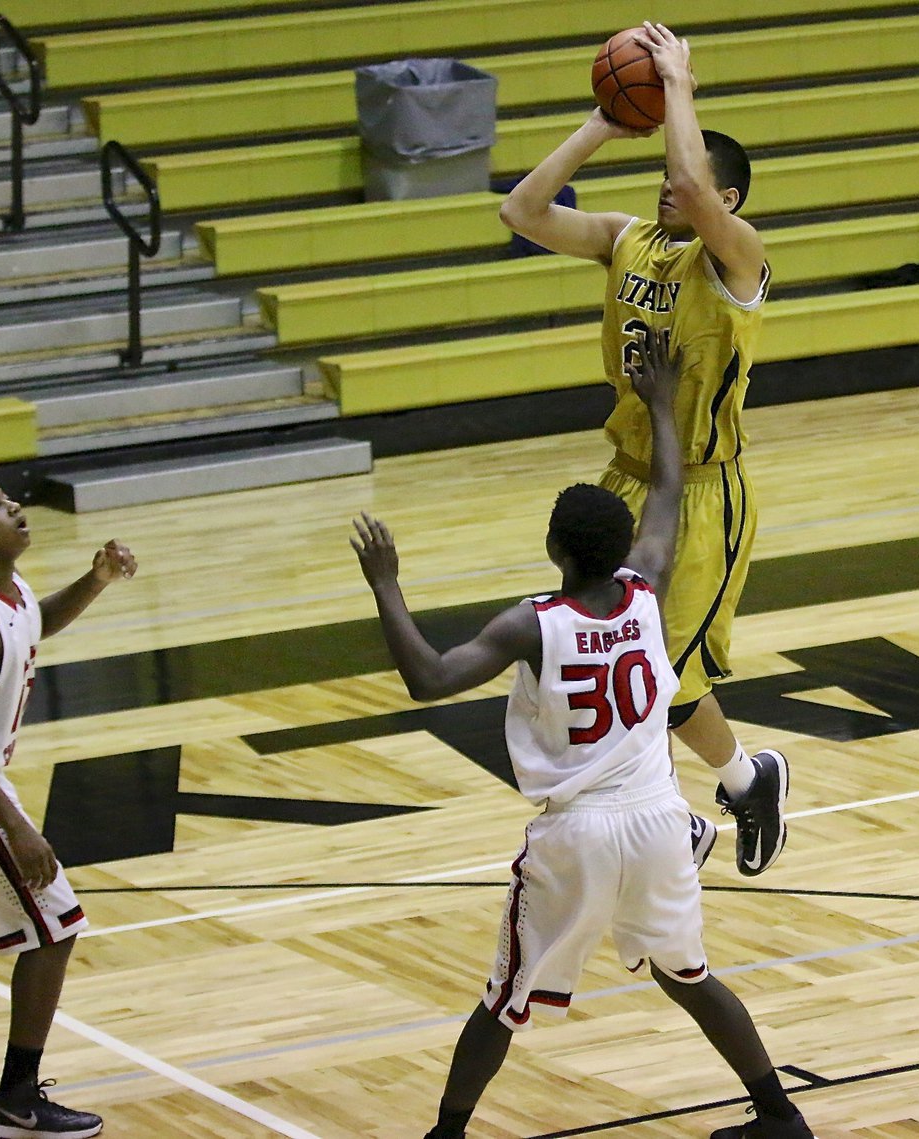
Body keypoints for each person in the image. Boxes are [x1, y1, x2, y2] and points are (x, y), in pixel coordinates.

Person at [353, 332, 813, 1139]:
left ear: (555, 550)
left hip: (580, 832)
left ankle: (446, 1134)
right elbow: (668, 492)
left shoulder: (534, 625)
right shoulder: (647, 591)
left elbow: (427, 677)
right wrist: (663, 405)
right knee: (690, 973)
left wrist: (387, 586)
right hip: (661, 820)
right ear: (619, 548)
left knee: (505, 996)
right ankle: (779, 1112)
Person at [499, 21, 787, 878]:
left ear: (727, 201)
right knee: (611, 661)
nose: (671, 184)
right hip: (625, 481)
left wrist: (679, 86)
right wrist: (602, 123)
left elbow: (696, 190)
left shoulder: (737, 261)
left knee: (660, 680)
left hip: (699, 492)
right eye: (661, 172)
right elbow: (521, 212)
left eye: (685, 177)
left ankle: (716, 798)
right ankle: (733, 788)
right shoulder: (628, 238)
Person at [0, 480, 137, 1139]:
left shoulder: (8, 597)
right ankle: (17, 1100)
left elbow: (34, 620)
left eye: (7, 497)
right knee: (55, 925)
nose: (14, 506)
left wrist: (94, 579)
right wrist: (18, 827)